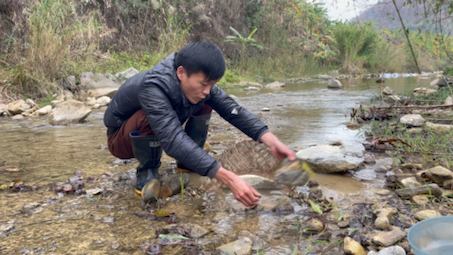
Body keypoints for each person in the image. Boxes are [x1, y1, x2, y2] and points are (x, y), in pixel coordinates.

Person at [103, 41, 296, 207]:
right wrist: (228, 177)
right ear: (181, 73)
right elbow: (172, 139)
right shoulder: (153, 87)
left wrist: (270, 139)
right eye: (203, 84)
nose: (207, 90)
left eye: (211, 85)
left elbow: (232, 110)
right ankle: (147, 171)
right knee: (146, 116)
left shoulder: (197, 80)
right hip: (121, 139)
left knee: (205, 101)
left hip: (160, 128)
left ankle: (188, 164)